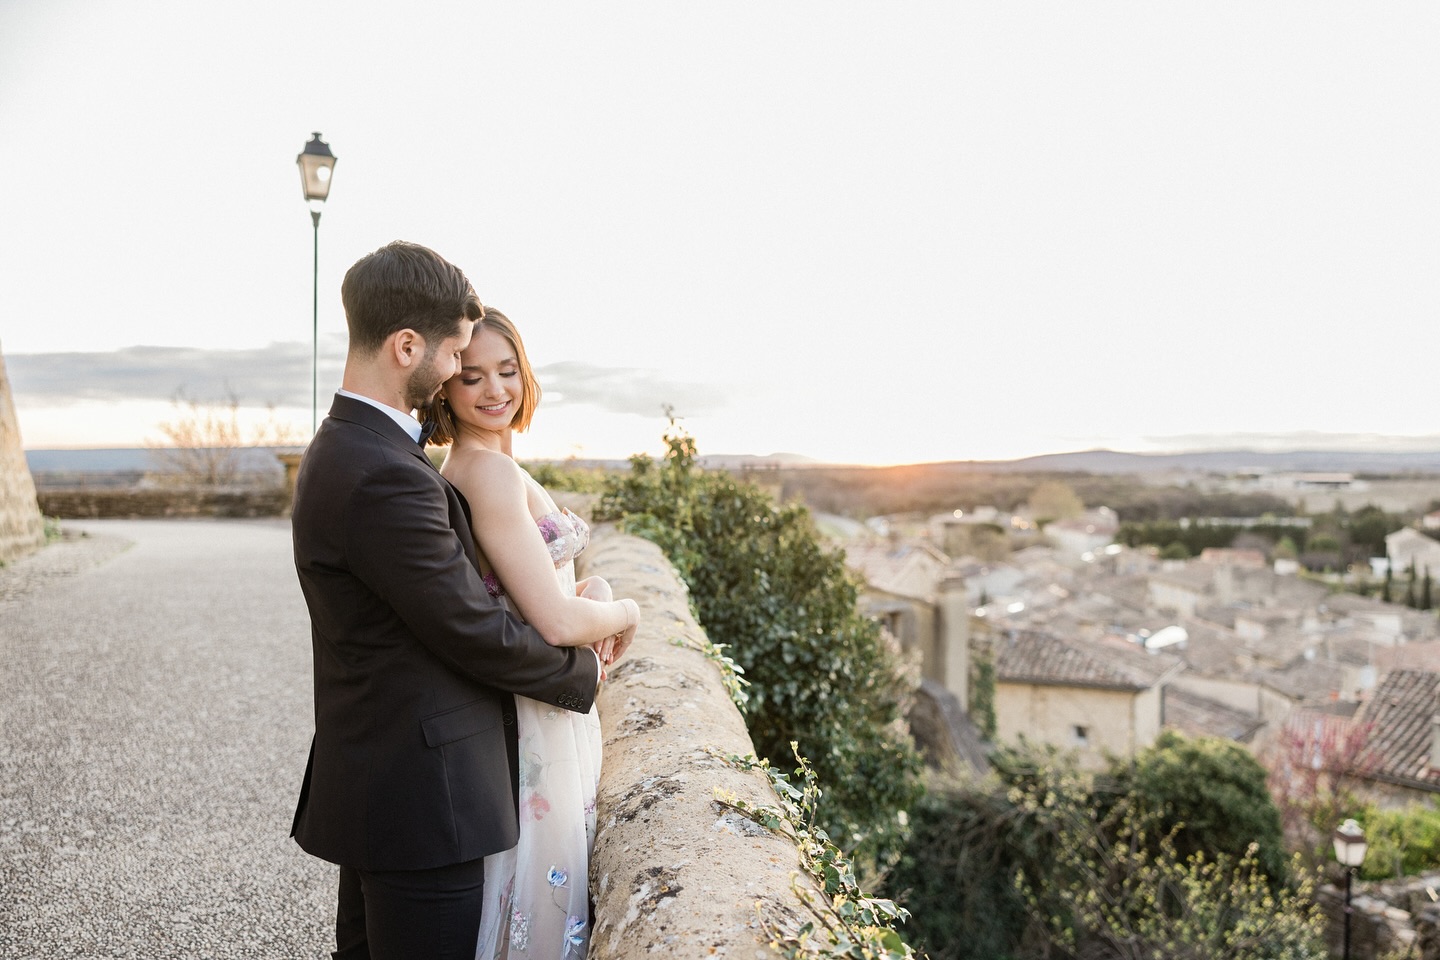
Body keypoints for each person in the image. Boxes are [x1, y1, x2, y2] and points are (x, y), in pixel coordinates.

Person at [289, 240, 639, 960]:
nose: (458, 371)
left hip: (381, 775)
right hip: (424, 796)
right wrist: (590, 672)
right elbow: (473, 628)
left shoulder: (349, 449)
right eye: (454, 356)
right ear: (408, 346)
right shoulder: (385, 472)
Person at [418, 307, 631, 960]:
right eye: (472, 376)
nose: (495, 391)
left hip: (542, 705)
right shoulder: (487, 473)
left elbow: (541, 591)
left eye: (508, 371)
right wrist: (627, 615)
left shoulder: (483, 466)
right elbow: (557, 622)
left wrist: (591, 589)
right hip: (538, 715)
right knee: (543, 900)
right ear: (446, 388)